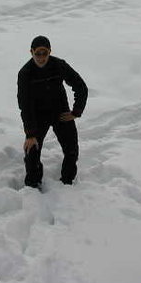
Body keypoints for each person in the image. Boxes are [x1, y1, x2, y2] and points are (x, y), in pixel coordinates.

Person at [17, 36, 88, 189]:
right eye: (38, 53)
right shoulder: (25, 73)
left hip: (60, 112)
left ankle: (67, 182)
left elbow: (81, 87)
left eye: (45, 53)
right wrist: (30, 134)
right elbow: (24, 105)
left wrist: (76, 112)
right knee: (31, 152)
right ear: (31, 52)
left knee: (72, 150)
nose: (42, 57)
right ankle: (33, 185)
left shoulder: (59, 65)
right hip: (37, 116)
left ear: (50, 51)